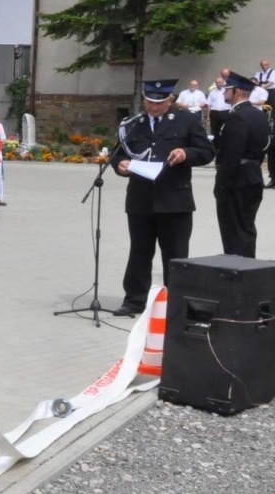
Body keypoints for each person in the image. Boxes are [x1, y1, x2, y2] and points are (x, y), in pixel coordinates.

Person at [110, 79, 214, 316]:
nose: (153, 107)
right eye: (149, 102)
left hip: (175, 200)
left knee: (175, 255)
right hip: (140, 200)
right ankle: (134, 300)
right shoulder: (133, 124)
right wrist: (121, 165)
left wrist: (185, 153)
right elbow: (118, 154)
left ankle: (175, 304)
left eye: (159, 103)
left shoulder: (187, 121)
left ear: (170, 100)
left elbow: (207, 152)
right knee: (139, 252)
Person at [213, 70, 271, 256]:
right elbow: (264, 146)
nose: (223, 93)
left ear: (236, 92)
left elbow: (231, 154)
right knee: (246, 227)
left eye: (226, 90)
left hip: (236, 181)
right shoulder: (259, 115)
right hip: (253, 175)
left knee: (233, 231)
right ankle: (248, 270)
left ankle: (237, 275)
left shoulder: (237, 116)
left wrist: (221, 185)